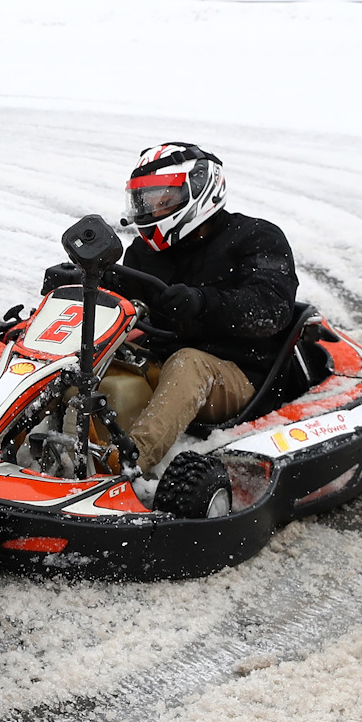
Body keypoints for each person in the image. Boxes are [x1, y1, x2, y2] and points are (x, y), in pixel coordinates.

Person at [49, 143, 299, 477]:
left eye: (162, 199)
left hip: (238, 375)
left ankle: (125, 463)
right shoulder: (146, 251)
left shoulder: (256, 237)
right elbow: (123, 298)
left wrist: (203, 302)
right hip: (162, 358)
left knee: (188, 362)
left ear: (199, 190)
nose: (152, 209)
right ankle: (18, 432)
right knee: (86, 351)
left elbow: (272, 310)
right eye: (145, 201)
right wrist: (81, 283)